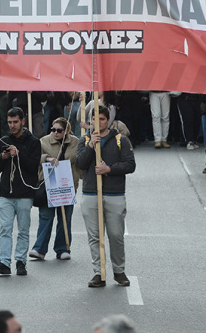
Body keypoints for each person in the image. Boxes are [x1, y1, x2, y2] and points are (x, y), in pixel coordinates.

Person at [77, 106, 136, 287]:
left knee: (115, 234)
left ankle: (119, 271)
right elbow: (80, 163)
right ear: (91, 120)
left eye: (102, 119)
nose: (99, 122)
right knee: (95, 236)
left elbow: (130, 165)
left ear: (108, 120)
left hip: (114, 193)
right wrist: (90, 146)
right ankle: (99, 272)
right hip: (90, 192)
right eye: (95, 119)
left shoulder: (121, 140)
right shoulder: (85, 139)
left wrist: (109, 169)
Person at [0, 107, 40, 276]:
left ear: (23, 121)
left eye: (15, 122)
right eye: (10, 122)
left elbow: (33, 167)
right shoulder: (3, 141)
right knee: (5, 229)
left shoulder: (33, 142)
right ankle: (4, 262)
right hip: (6, 193)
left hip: (25, 193)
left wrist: (18, 155)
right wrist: (3, 157)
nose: (12, 126)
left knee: (23, 230)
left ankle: (20, 261)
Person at [30, 117, 80, 261]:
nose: (55, 133)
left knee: (65, 218)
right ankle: (39, 249)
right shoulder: (43, 141)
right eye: (53, 129)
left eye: (59, 130)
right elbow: (34, 158)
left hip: (68, 186)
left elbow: (79, 161)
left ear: (66, 131)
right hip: (49, 185)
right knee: (46, 216)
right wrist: (46, 158)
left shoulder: (75, 142)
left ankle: (63, 248)